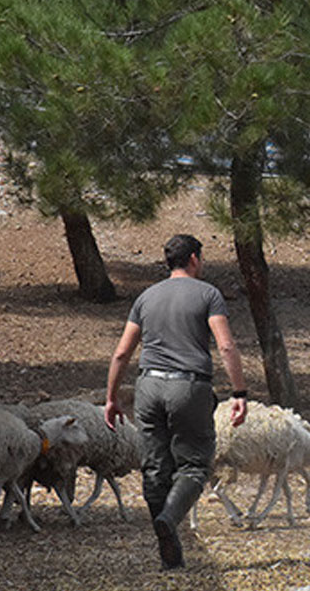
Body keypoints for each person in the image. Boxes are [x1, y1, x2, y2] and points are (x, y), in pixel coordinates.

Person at [104, 234, 248, 569]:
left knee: (155, 467)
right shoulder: (208, 294)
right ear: (195, 259)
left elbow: (122, 351)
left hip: (149, 387)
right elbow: (226, 346)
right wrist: (239, 392)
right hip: (189, 387)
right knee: (194, 465)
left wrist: (111, 397)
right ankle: (169, 518)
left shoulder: (146, 297)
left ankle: (168, 548)